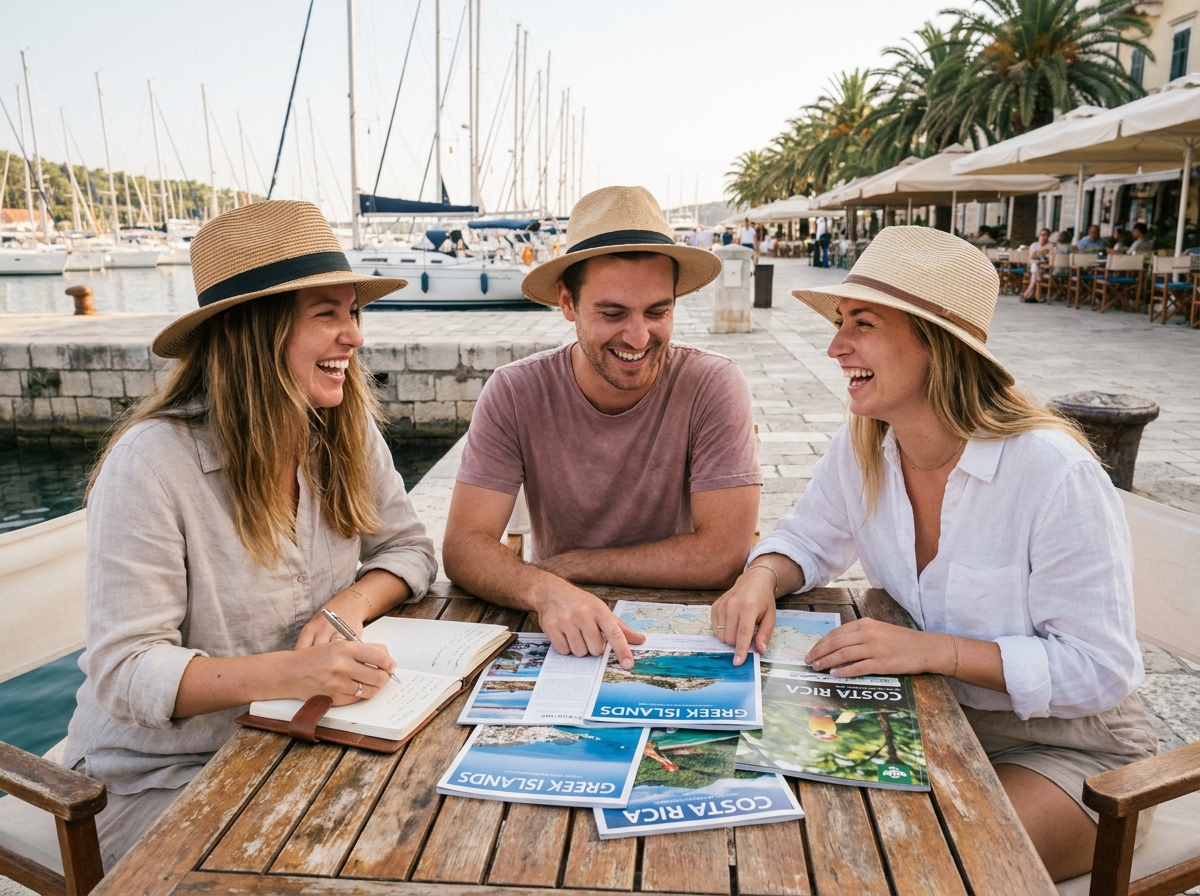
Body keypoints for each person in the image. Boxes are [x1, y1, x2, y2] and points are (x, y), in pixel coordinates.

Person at [711, 226, 1155, 883]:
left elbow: (1103, 668)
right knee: (781, 822)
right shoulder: (865, 444)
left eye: (861, 323)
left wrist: (933, 651)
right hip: (933, 722)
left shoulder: (1052, 472)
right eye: (840, 322)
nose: (836, 346)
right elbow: (806, 539)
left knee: (905, 863)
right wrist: (760, 576)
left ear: (938, 344)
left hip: (1074, 752)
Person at [63, 201, 439, 869]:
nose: (353, 336)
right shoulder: (150, 465)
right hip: (161, 779)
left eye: (354, 312)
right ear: (254, 333)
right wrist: (294, 672)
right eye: (328, 314)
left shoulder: (346, 430)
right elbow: (125, 672)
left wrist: (344, 607)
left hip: (303, 738)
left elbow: (408, 550)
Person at [443, 186, 762, 668]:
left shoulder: (713, 384)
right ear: (567, 303)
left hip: (683, 634)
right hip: (561, 626)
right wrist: (543, 588)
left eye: (658, 311)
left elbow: (723, 554)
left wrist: (571, 566)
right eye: (612, 313)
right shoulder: (514, 391)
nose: (638, 337)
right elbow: (464, 546)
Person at [1022, 228, 1053, 302]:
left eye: (1045, 235)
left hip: (1046, 268)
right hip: (1034, 267)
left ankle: (1027, 295)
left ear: (1048, 236)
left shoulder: (1050, 246)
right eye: (1042, 235)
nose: (1043, 237)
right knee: (1035, 267)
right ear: (1039, 236)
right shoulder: (1034, 245)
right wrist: (1035, 252)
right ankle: (1037, 296)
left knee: (1036, 270)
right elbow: (1030, 259)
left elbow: (1051, 259)